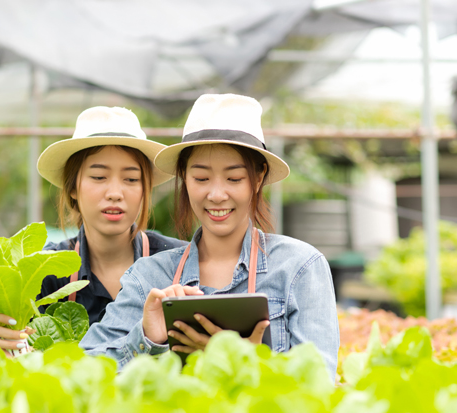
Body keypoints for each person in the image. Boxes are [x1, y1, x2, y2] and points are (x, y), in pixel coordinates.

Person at [79, 94, 340, 380]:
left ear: (258, 178)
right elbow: (87, 370)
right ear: (184, 177)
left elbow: (319, 386)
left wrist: (249, 364)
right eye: (201, 178)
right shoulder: (150, 277)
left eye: (234, 179)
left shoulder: (298, 268)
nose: (216, 195)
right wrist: (147, 339)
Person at [0, 106, 186, 353]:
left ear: (145, 188)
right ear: (73, 188)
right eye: (99, 177)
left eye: (131, 179)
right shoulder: (48, 267)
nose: (114, 193)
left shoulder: (178, 260)